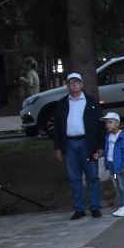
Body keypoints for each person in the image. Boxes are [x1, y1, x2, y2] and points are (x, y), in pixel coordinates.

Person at [52, 72, 103, 219]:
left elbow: (100, 126)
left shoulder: (92, 102)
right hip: (69, 143)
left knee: (92, 176)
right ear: (67, 85)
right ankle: (79, 208)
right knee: (74, 177)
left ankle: (95, 207)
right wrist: (58, 147)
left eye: (77, 81)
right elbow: (57, 127)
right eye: (71, 82)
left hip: (88, 143)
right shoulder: (62, 104)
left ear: (82, 84)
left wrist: (100, 146)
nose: (74, 84)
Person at [100, 111, 124, 217]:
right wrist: (102, 154)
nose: (107, 125)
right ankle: (121, 206)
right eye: (106, 123)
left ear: (117, 123)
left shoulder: (123, 137)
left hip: (120, 167)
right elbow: (108, 149)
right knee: (116, 185)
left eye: (110, 122)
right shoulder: (108, 136)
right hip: (112, 166)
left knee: (122, 185)